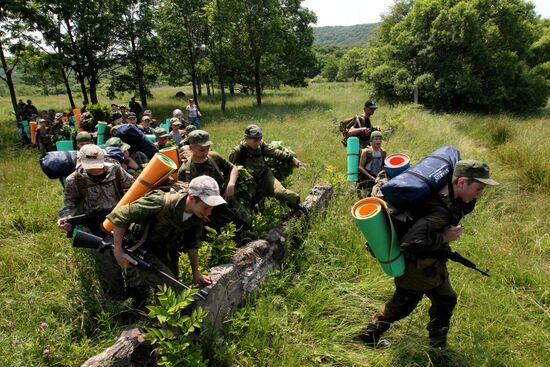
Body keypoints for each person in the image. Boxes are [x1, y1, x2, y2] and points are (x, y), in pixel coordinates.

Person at [358, 160, 499, 364]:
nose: (479, 194)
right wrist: (444, 238)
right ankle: (368, 335)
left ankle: (438, 347)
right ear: (460, 182)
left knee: (446, 300)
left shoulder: (450, 194)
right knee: (402, 305)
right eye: (478, 188)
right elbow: (410, 242)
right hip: (417, 267)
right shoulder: (439, 210)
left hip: (433, 263)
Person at [107, 175, 226, 288]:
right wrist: (118, 251)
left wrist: (196, 272)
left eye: (211, 208)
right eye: (206, 207)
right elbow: (119, 216)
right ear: (191, 198)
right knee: (163, 290)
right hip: (140, 250)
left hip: (166, 252)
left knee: (171, 289)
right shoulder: (160, 202)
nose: (209, 213)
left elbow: (192, 243)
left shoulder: (197, 215)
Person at [56, 144, 136, 300]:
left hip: (120, 223)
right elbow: (68, 205)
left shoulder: (116, 171)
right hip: (95, 230)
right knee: (109, 270)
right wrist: (66, 220)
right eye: (91, 166)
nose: (95, 169)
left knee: (133, 264)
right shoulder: (74, 180)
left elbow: (134, 187)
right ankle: (116, 306)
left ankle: (138, 300)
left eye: (98, 165)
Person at [178, 130, 251, 230]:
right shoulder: (185, 170)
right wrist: (199, 213)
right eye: (202, 150)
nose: (206, 152)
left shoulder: (214, 157)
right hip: (204, 209)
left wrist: (231, 185)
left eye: (208, 148)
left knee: (243, 223)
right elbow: (184, 197)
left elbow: (233, 169)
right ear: (191, 148)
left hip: (222, 199)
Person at [229, 124, 306, 214]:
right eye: (255, 140)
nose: (258, 142)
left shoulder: (261, 145)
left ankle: (298, 206)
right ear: (246, 138)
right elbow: (229, 169)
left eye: (259, 139)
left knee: (281, 192)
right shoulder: (237, 152)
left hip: (266, 176)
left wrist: (291, 159)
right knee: (254, 210)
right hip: (250, 183)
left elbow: (274, 152)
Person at [357, 131, 386, 195]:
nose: (378, 141)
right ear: (371, 140)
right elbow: (360, 167)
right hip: (366, 177)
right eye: (376, 139)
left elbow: (383, 165)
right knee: (366, 194)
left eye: (380, 139)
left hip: (377, 177)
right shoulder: (366, 152)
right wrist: (370, 177)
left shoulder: (383, 152)